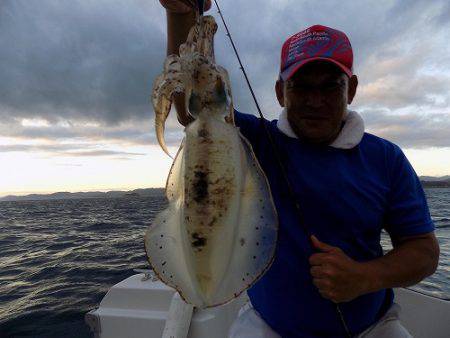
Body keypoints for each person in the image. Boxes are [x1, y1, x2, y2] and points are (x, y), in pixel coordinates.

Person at [158, 1, 440, 337]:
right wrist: (179, 13)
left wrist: (364, 277)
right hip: (268, 326)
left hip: (372, 327)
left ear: (351, 88)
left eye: (330, 86)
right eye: (301, 86)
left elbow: (424, 251)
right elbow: (195, 104)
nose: (316, 101)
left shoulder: (386, 158)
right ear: (280, 92)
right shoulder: (253, 142)